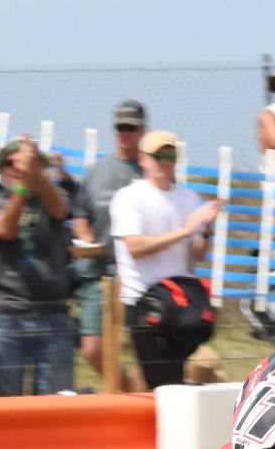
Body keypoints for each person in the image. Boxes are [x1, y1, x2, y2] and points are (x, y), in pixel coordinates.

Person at [110, 130, 222, 389]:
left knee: (175, 381)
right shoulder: (130, 196)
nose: (165, 161)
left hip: (181, 301)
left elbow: (198, 255)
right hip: (145, 301)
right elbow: (135, 247)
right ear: (142, 158)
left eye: (171, 156)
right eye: (158, 156)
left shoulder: (188, 197)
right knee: (158, 382)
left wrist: (206, 229)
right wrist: (184, 231)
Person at [0, 138, 78, 396]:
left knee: (56, 407)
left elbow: (59, 210)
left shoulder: (56, 196)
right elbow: (5, 230)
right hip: (6, 314)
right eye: (11, 163)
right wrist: (22, 189)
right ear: (2, 169)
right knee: (1, 407)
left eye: (27, 163)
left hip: (54, 315)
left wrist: (34, 175)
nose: (18, 168)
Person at [74, 100, 147, 378]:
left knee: (142, 352)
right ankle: (125, 393)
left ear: (142, 130)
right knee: (92, 349)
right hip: (99, 272)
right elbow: (81, 214)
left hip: (140, 273)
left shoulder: (150, 171)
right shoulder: (97, 170)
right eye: (120, 127)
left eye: (130, 127)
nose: (124, 132)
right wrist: (86, 239)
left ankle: (140, 396)